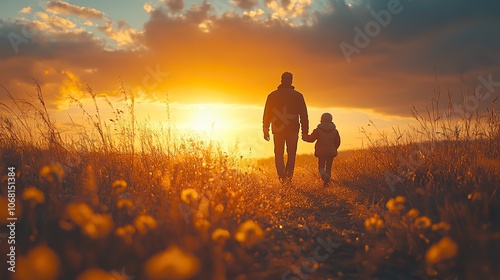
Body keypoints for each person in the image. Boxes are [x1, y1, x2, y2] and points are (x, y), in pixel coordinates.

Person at [263, 72, 309, 183]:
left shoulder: (272, 95)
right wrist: (305, 132)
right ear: (291, 80)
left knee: (278, 153)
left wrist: (265, 130)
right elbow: (304, 115)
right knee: (291, 153)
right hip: (293, 129)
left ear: (281, 80)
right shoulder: (298, 96)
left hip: (278, 129)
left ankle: (282, 176)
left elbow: (267, 114)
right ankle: (288, 177)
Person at [303, 113, 341, 187]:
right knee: (328, 168)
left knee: (321, 167)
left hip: (321, 152)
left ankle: (325, 176)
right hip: (331, 152)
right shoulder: (335, 131)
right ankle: (327, 183)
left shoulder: (318, 130)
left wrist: (305, 137)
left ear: (321, 119)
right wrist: (333, 148)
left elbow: (311, 139)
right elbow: (338, 142)